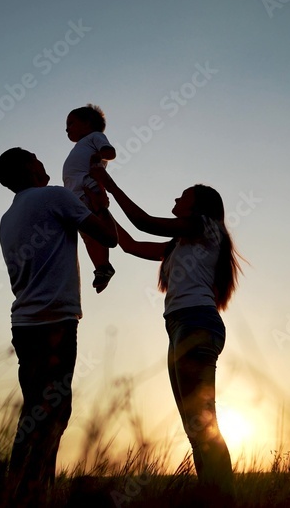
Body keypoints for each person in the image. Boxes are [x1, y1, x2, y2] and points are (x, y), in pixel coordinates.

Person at [90, 166, 242, 499]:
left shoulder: (206, 227)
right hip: (179, 326)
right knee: (195, 428)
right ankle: (213, 497)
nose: (176, 198)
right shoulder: (179, 244)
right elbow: (128, 244)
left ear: (198, 205)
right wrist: (102, 208)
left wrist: (111, 185)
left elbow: (144, 221)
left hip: (196, 323)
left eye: (183, 195)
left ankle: (222, 499)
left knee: (202, 426)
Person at [0, 147, 117, 499]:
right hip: (55, 322)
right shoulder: (55, 197)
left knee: (36, 409)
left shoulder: (8, 216)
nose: (42, 161)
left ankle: (22, 488)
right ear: (29, 169)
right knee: (54, 411)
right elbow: (108, 237)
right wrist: (100, 202)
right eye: (36, 158)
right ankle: (32, 491)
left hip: (25, 323)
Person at [62, 104, 118, 292]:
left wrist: (97, 156)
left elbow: (111, 153)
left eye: (71, 123)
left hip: (88, 189)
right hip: (76, 195)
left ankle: (103, 265)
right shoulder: (80, 145)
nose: (67, 128)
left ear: (87, 123)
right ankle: (101, 267)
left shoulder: (95, 137)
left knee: (95, 228)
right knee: (88, 235)